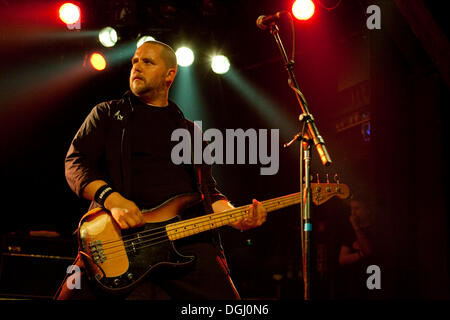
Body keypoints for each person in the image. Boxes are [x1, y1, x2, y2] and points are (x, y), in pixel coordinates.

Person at [54, 40, 267, 300]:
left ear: (170, 75)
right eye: (135, 61)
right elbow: (76, 162)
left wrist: (235, 217)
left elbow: (208, 191)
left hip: (186, 241)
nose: (137, 67)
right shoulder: (108, 114)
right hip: (120, 240)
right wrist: (113, 199)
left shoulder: (191, 131)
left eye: (148, 62)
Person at [336, 196, 375, 299]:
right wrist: (360, 254)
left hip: (374, 280)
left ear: (367, 210)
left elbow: (369, 251)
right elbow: (342, 259)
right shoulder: (349, 232)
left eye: (357, 208)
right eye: (351, 209)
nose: (353, 213)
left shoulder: (375, 230)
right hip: (355, 284)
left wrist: (357, 228)